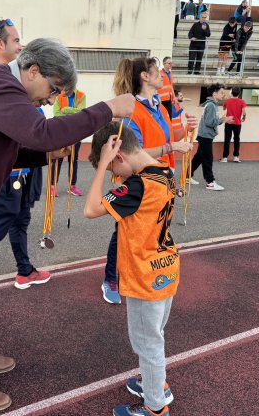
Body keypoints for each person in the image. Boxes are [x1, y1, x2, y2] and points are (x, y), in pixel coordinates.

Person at [0, 37, 135, 412]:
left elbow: (19, 146)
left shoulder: (3, 88)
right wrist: (107, 109)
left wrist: (51, 151)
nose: (52, 99)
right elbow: (40, 133)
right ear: (33, 71)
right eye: (54, 89)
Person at [84, 122, 179, 416]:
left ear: (119, 156)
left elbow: (90, 209)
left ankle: (155, 408)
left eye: (113, 168)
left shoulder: (137, 185)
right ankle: (157, 384)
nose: (114, 176)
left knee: (147, 343)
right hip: (167, 267)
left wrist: (101, 166)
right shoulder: (164, 171)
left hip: (144, 275)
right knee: (155, 334)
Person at [101, 57, 195, 305]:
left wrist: (186, 129)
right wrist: (171, 146)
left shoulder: (160, 107)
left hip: (162, 177)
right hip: (140, 179)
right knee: (123, 228)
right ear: (144, 76)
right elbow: (135, 151)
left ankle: (144, 269)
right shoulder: (131, 111)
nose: (162, 75)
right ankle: (111, 278)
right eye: (157, 72)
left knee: (156, 227)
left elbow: (169, 137)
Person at [0, 19, 49, 290]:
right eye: (17, 40)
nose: (22, 46)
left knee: (20, 219)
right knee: (1, 222)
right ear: (0, 44)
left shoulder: (15, 81)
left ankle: (25, 270)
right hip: (9, 174)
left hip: (27, 169)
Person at [190, 83, 233, 190]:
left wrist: (222, 119)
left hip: (204, 135)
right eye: (221, 93)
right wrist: (223, 120)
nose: (223, 95)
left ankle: (187, 175)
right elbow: (210, 122)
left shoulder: (211, 104)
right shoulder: (211, 105)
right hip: (205, 136)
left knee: (199, 157)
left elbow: (209, 121)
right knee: (207, 159)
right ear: (214, 94)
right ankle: (210, 182)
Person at [52, 87, 87, 197]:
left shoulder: (81, 95)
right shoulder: (59, 96)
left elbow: (82, 112)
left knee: (73, 160)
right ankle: (53, 186)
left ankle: (72, 186)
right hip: (61, 134)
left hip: (76, 133)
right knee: (58, 159)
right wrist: (73, 112)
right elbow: (56, 113)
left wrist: (66, 109)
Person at [220, 86, 247, 163]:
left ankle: (225, 157)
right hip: (237, 123)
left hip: (229, 122)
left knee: (227, 139)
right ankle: (236, 157)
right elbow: (244, 112)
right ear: (239, 93)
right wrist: (244, 118)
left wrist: (229, 98)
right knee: (237, 139)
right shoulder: (242, 101)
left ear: (231, 92)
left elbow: (224, 109)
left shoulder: (227, 101)